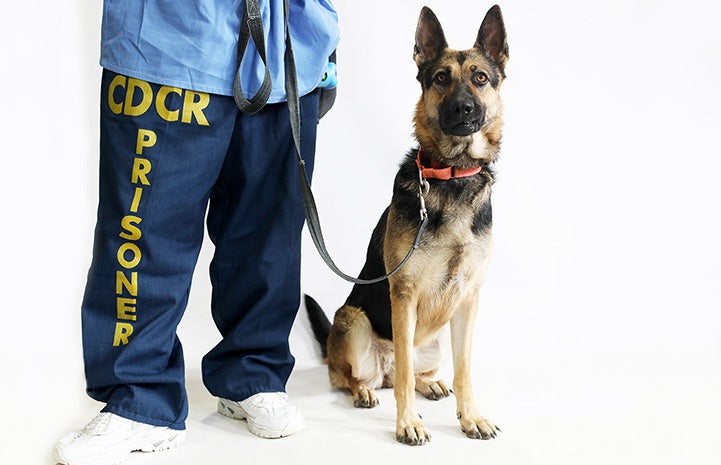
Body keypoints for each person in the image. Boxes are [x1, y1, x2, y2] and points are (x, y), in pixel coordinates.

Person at [53, 1, 339, 464]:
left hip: (289, 42)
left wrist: (326, 43)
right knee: (145, 232)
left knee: (270, 231)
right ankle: (139, 398)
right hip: (168, 40)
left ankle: (253, 371)